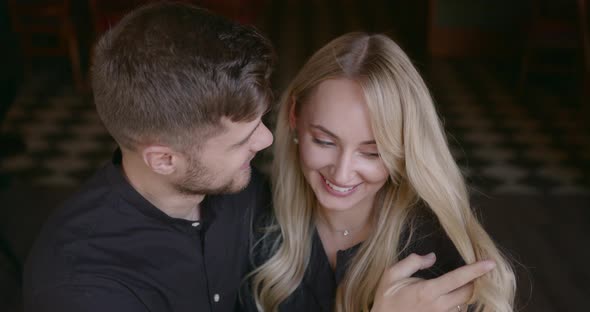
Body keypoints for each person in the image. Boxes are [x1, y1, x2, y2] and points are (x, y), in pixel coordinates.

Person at [23, 3, 275, 311]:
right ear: (164, 160)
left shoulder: (242, 188)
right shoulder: (83, 288)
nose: (266, 140)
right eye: (242, 140)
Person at [246, 32, 516, 312]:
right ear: (294, 116)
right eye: (324, 141)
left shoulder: (437, 255)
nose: (341, 173)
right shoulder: (249, 219)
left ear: (403, 149)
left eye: (372, 152)